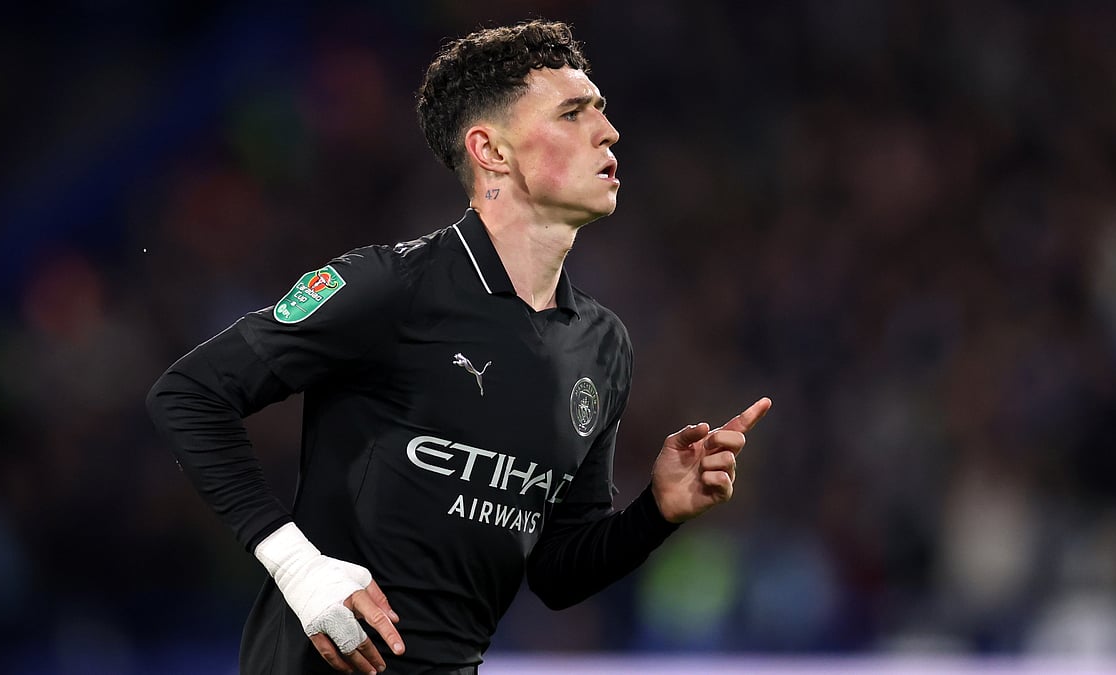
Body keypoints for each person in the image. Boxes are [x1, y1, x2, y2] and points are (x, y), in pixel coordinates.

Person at [147, 19, 770, 675]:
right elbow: (189, 393)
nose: (608, 131)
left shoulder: (602, 345)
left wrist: (656, 512)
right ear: (491, 150)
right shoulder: (390, 286)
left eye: (601, 111)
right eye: (572, 113)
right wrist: (298, 566)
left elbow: (557, 572)